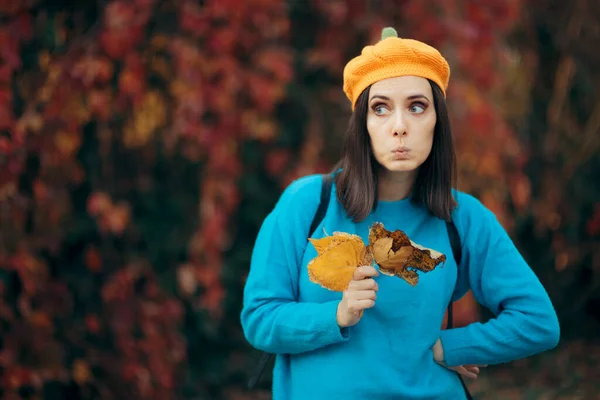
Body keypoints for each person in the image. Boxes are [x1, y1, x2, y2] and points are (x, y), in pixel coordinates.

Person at [240, 27, 560, 399]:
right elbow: (259, 318)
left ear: (437, 121)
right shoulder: (308, 203)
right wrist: (336, 315)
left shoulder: (463, 218)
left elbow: (538, 321)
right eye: (380, 108)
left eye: (417, 106)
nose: (400, 127)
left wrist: (449, 347)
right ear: (362, 123)